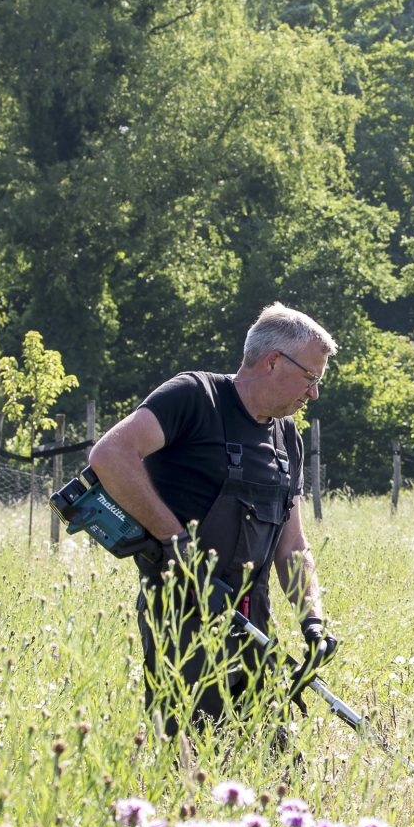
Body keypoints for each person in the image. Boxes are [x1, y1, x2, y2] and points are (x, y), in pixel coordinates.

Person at [87, 303, 334, 727]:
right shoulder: (193, 398)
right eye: (311, 378)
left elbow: (292, 546)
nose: (313, 393)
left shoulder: (286, 439)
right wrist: (178, 544)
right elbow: (109, 455)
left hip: (253, 622)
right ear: (274, 361)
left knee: (275, 764)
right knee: (192, 759)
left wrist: (312, 618)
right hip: (184, 619)